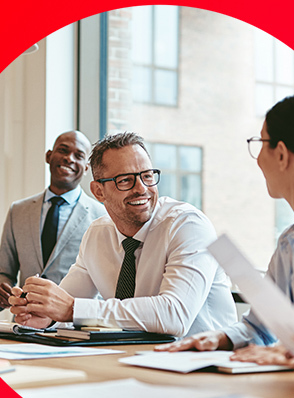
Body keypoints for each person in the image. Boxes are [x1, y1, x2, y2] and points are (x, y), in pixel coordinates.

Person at [154, 91, 294, 378]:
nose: (257, 161)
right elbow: (260, 327)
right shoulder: (289, 243)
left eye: (261, 143)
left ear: (281, 154)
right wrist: (220, 338)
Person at [9, 131, 237, 335]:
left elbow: (174, 315)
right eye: (125, 180)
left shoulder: (188, 225)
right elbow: (68, 303)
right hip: (135, 360)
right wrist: (45, 315)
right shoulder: (98, 234)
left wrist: (70, 309)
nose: (142, 189)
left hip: (204, 367)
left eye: (147, 176)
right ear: (99, 191)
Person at [0, 130, 105, 310]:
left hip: (73, 329)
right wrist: (3, 289)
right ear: (49, 156)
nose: (69, 158)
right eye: (63, 150)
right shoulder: (18, 210)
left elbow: (106, 284)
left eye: (78, 155)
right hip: (24, 322)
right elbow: (4, 272)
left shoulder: (101, 216)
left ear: (87, 167)